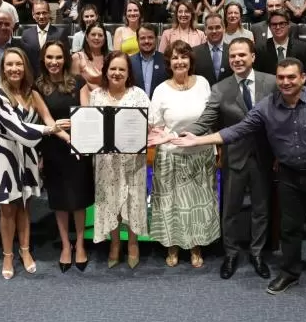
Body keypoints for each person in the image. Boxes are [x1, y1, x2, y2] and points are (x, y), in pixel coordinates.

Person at [179, 56, 306, 299]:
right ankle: (290, 272)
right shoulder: (267, 105)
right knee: (289, 229)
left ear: (303, 78)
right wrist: (198, 140)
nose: (285, 82)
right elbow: (238, 130)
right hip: (287, 174)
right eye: (281, 77)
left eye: (291, 77)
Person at [180, 38, 275, 280]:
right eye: (232, 56)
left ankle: (257, 253)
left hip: (265, 157)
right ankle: (231, 253)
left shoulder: (272, 82)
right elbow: (206, 120)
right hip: (235, 157)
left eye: (242, 55)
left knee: (261, 209)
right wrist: (177, 134)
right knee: (230, 210)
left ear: (253, 56)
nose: (237, 59)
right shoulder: (220, 88)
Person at [0, 47, 68, 279]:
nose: (14, 69)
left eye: (19, 64)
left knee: (24, 206)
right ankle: (7, 255)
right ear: (3, 69)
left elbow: (48, 118)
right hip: (4, 153)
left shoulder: (32, 93)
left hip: (27, 155)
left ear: (25, 67)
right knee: (7, 209)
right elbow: (18, 128)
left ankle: (25, 250)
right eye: (9, 64)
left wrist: (69, 138)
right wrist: (50, 130)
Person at [145, 41, 219, 268]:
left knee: (198, 203)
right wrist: (163, 137)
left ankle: (196, 246)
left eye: (183, 56)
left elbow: (210, 118)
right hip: (171, 156)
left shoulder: (203, 83)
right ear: (169, 62)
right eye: (175, 57)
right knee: (172, 205)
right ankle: (173, 246)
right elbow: (155, 125)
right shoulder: (161, 89)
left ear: (190, 60)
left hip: (200, 154)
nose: (179, 61)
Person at [84, 51, 150, 267]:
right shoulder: (97, 95)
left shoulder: (138, 94)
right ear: (106, 71)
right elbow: (91, 126)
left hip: (133, 160)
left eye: (122, 69)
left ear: (129, 72)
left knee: (133, 201)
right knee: (109, 202)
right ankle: (114, 243)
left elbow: (149, 124)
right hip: (107, 162)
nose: (117, 73)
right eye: (113, 68)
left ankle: (132, 243)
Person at [37, 41, 94, 272]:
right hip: (54, 148)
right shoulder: (37, 86)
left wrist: (77, 131)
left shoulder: (78, 82)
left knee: (78, 199)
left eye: (58, 57)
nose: (54, 62)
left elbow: (87, 114)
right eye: (50, 57)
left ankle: (79, 244)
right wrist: (61, 132)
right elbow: (46, 119)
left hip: (79, 147)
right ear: (43, 59)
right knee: (59, 200)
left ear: (65, 59)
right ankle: (65, 245)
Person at [254, 12, 306, 76]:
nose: (278, 27)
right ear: (269, 27)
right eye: (274, 24)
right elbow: (258, 75)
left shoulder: (302, 48)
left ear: (288, 25)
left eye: (281, 23)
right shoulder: (260, 49)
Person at [130, 24, 166, 98]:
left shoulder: (166, 60)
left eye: (150, 37)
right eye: (142, 38)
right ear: (137, 40)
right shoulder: (129, 62)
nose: (146, 41)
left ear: (156, 39)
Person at [72, 21, 109, 87]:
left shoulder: (110, 58)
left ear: (105, 39)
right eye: (93, 35)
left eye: (100, 35)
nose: (96, 38)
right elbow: (74, 86)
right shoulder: (77, 57)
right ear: (86, 37)